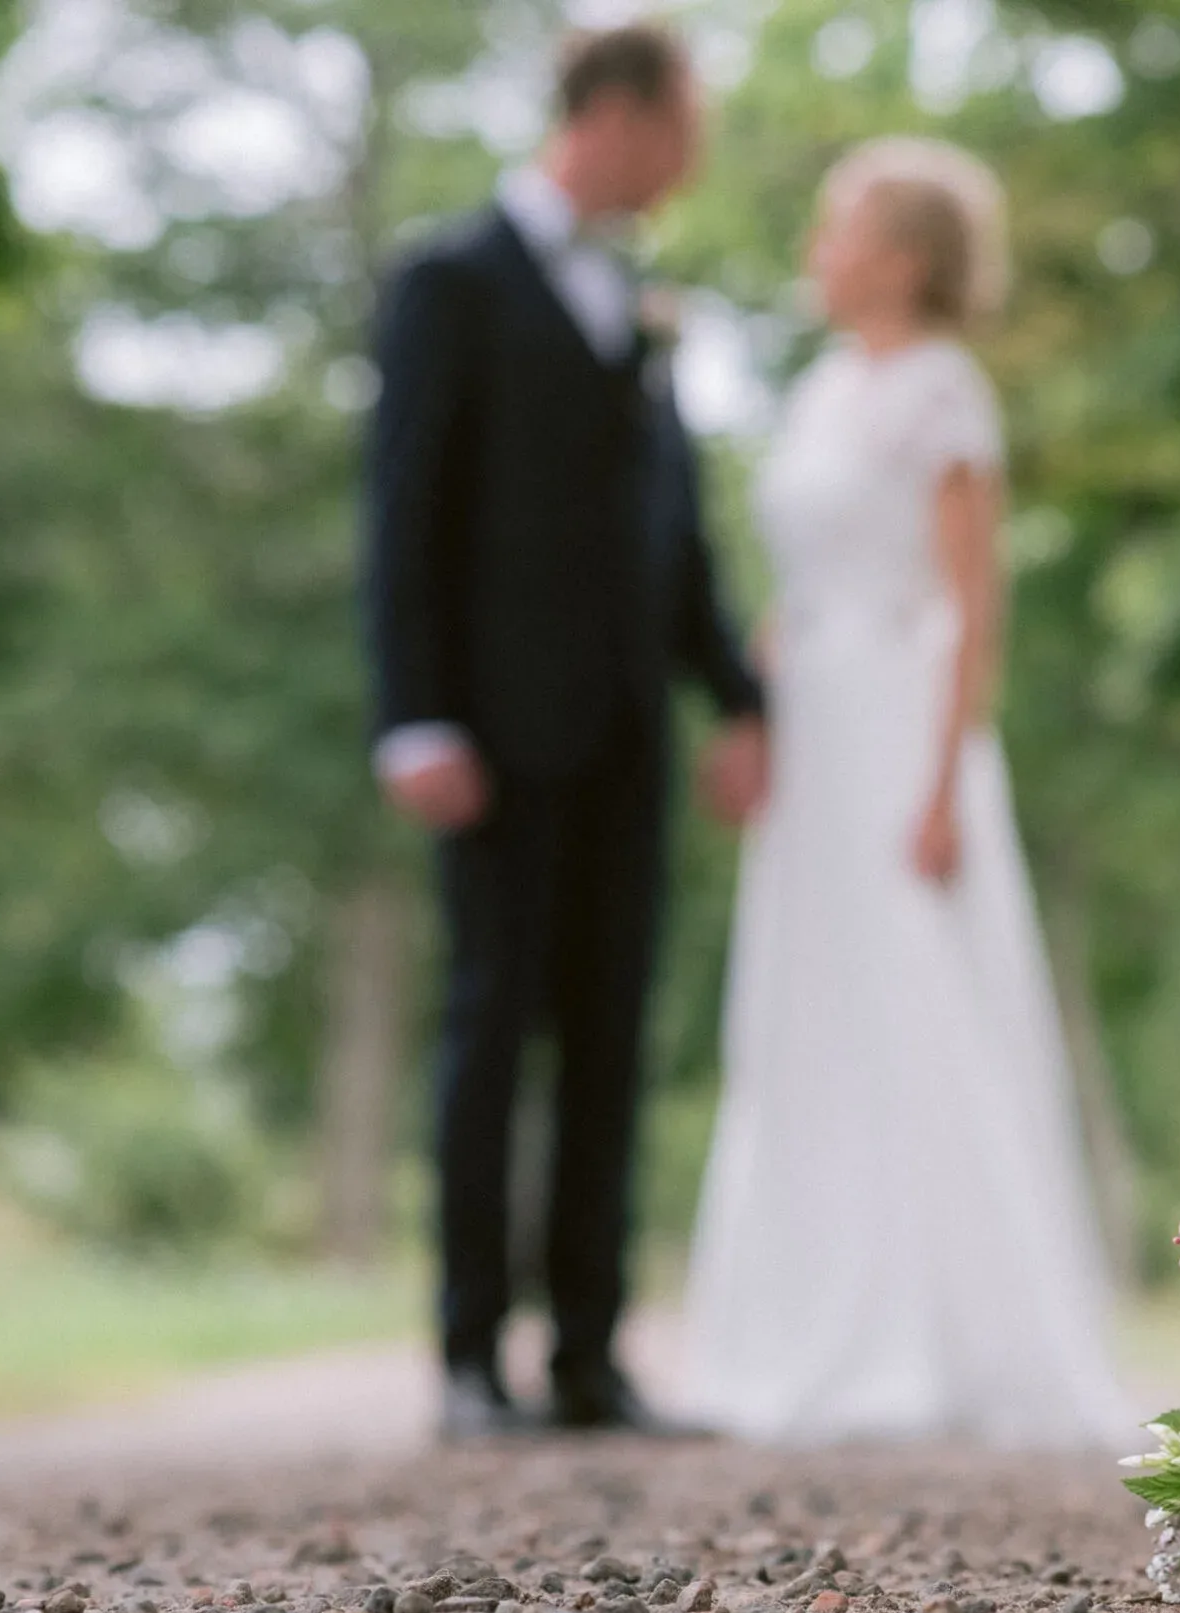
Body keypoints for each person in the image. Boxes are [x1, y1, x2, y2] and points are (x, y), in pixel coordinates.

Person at [677, 139, 1131, 1446]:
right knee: (803, 1015)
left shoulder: (944, 394)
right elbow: (793, 588)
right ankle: (802, 1319)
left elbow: (972, 601)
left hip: (899, 725)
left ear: (906, 255)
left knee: (917, 1004)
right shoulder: (821, 388)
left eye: (840, 228)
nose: (819, 250)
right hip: (811, 728)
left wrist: (942, 782)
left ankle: (944, 1334)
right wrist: (752, 721)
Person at [362, 24, 769, 1439]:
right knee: (492, 1030)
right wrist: (412, 712)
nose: (690, 162)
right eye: (683, 130)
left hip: (625, 736)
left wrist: (737, 691)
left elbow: (673, 527)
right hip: (488, 730)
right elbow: (402, 508)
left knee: (610, 1035)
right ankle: (470, 1355)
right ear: (616, 114)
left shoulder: (640, 301)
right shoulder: (450, 277)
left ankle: (588, 1354)